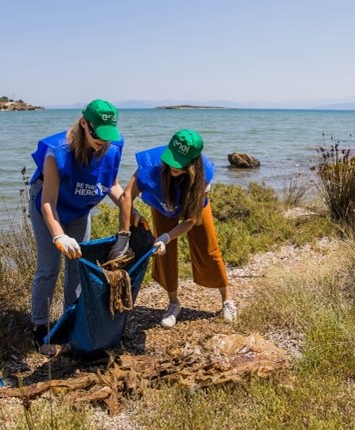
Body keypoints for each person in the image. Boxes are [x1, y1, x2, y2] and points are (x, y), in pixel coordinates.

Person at [28, 99, 131, 346]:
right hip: (50, 206)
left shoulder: (113, 147)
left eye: (108, 136)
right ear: (84, 124)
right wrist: (58, 236)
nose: (102, 142)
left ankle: (69, 318)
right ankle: (39, 324)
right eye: (97, 134)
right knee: (49, 268)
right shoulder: (57, 152)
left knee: (77, 265)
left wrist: (128, 213)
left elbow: (113, 186)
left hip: (79, 208)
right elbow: (47, 203)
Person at [117, 129, 236, 328]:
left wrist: (168, 236)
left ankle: (227, 300)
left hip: (191, 205)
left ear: (192, 163)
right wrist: (124, 234)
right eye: (171, 159)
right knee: (163, 252)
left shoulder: (203, 174)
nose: (173, 166)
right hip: (162, 203)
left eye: (179, 163)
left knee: (208, 249)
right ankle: (173, 303)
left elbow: (190, 220)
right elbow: (126, 196)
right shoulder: (150, 164)